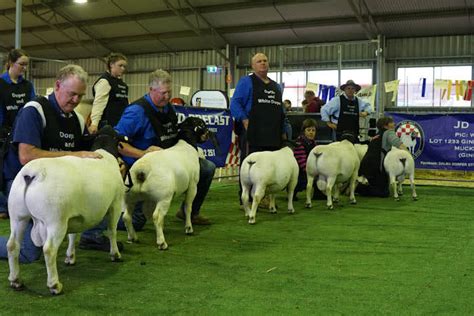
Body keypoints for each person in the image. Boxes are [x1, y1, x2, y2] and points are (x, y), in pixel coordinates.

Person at [0, 64, 103, 263]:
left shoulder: (77, 120)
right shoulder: (34, 110)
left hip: (51, 182)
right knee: (29, 252)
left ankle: (92, 237)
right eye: (72, 94)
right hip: (21, 181)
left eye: (80, 96)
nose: (76, 100)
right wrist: (74, 154)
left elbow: (85, 152)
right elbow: (26, 156)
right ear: (57, 85)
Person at [114, 69, 215, 226]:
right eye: (162, 93)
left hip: (168, 162)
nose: (167, 97)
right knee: (136, 223)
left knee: (207, 168)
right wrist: (143, 154)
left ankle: (189, 212)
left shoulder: (169, 108)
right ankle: (113, 216)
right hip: (144, 168)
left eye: (169, 92)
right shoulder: (136, 112)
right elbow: (117, 143)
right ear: (151, 90)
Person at [230, 52, 286, 206]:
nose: (263, 63)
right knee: (250, 166)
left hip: (272, 134)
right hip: (253, 132)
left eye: (265, 61)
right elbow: (234, 104)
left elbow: (281, 110)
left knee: (268, 167)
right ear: (253, 66)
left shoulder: (276, 86)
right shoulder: (246, 82)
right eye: (259, 61)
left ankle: (262, 197)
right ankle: (245, 199)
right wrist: (244, 119)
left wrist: (283, 130)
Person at [0, 49, 36, 219]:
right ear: (11, 63)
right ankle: (8, 206)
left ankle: (23, 205)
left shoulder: (28, 86)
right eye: (21, 64)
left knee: (23, 169)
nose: (24, 68)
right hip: (4, 134)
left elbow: (33, 107)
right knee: (8, 171)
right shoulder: (1, 84)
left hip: (23, 132)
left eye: (26, 65)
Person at [357, 116, 407, 197]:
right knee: (384, 193)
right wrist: (408, 153)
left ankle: (358, 187)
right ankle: (358, 189)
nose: (394, 124)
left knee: (379, 187)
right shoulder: (388, 132)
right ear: (385, 126)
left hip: (366, 165)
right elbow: (398, 143)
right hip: (377, 167)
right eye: (391, 123)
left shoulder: (378, 134)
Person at [88, 53, 128, 134]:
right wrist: (94, 123)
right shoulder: (105, 82)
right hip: (108, 125)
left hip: (121, 124)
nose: (123, 68)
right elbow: (99, 103)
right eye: (120, 65)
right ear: (111, 65)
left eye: (124, 66)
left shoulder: (123, 85)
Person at [292, 119, 325, 201]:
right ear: (304, 131)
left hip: (309, 168)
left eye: (313, 130)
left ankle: (318, 193)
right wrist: (312, 171)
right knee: (301, 181)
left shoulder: (313, 143)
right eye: (308, 130)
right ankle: (292, 192)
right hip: (299, 171)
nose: (311, 132)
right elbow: (301, 160)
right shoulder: (299, 143)